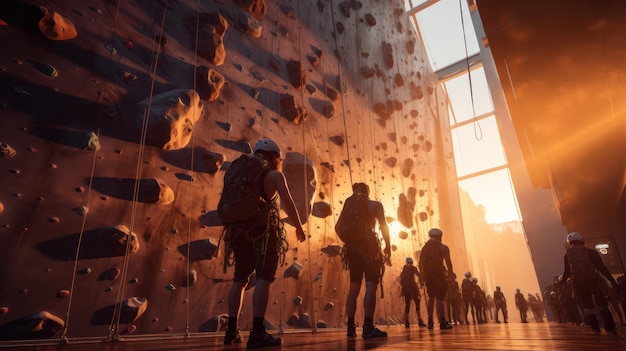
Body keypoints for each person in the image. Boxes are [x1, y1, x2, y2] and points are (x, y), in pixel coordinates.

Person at [224, 139, 307, 348]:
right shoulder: (274, 175)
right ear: (274, 157)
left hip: (237, 230)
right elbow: (288, 204)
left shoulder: (238, 171)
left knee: (239, 279)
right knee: (263, 277)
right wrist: (299, 227)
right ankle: (258, 332)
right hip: (262, 232)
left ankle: (231, 331)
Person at [335, 182, 391, 338]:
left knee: (354, 288)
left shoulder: (348, 205)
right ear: (368, 191)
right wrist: (388, 245)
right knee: (371, 286)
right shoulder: (375, 205)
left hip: (353, 251)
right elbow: (383, 226)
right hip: (370, 249)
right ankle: (368, 326)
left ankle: (351, 326)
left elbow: (338, 227)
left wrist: (349, 241)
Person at [561, 231, 618, 334]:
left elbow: (566, 272)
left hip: (579, 284)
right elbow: (602, 268)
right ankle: (610, 328)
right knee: (602, 305)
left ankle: (595, 328)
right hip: (594, 282)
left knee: (588, 307)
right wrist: (612, 281)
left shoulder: (567, 255)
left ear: (570, 242)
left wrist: (562, 285)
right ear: (581, 241)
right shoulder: (591, 252)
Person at [418, 228, 455, 330]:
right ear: (440, 236)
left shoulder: (425, 248)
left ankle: (430, 321)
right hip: (439, 275)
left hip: (428, 276)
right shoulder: (443, 248)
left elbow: (420, 263)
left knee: (431, 298)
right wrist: (451, 274)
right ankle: (442, 321)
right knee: (440, 298)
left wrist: (422, 276)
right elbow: (448, 262)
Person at [400, 257, 427, 328]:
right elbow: (419, 275)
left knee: (407, 304)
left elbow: (402, 279)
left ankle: (406, 321)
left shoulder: (404, 269)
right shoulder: (413, 268)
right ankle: (419, 320)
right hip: (412, 287)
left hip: (406, 288)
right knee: (417, 303)